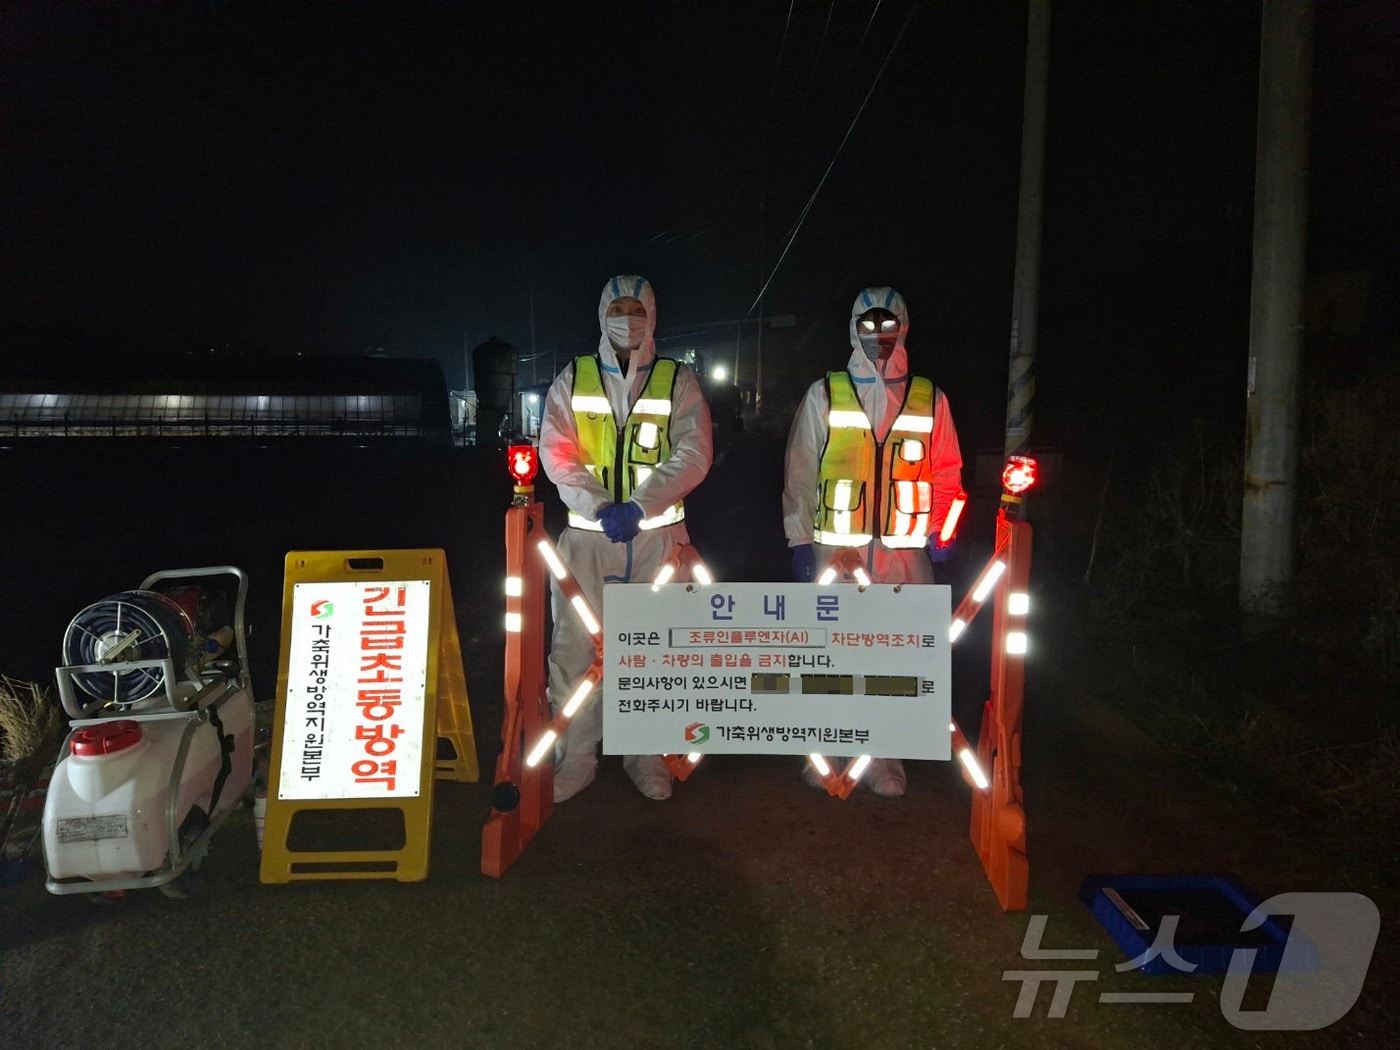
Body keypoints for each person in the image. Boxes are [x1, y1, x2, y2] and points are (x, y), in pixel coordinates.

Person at [781, 286, 963, 797]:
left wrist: (942, 529)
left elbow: (947, 471)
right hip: (836, 551)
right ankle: (826, 751)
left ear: (903, 327)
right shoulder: (827, 392)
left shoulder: (930, 397)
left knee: (899, 659)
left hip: (906, 553)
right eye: (869, 324)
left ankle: (886, 755)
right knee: (829, 656)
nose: (878, 335)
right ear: (853, 328)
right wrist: (798, 538)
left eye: (888, 324)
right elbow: (800, 470)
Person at [538, 275, 714, 802]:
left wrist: (641, 505)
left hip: (659, 542)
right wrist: (598, 504)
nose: (628, 317)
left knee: (658, 651)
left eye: (637, 308)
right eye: (618, 307)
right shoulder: (574, 377)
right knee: (574, 650)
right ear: (601, 313)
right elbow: (556, 450)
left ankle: (649, 756)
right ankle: (578, 757)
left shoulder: (676, 380)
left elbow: (694, 451)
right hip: (587, 540)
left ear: (652, 315)